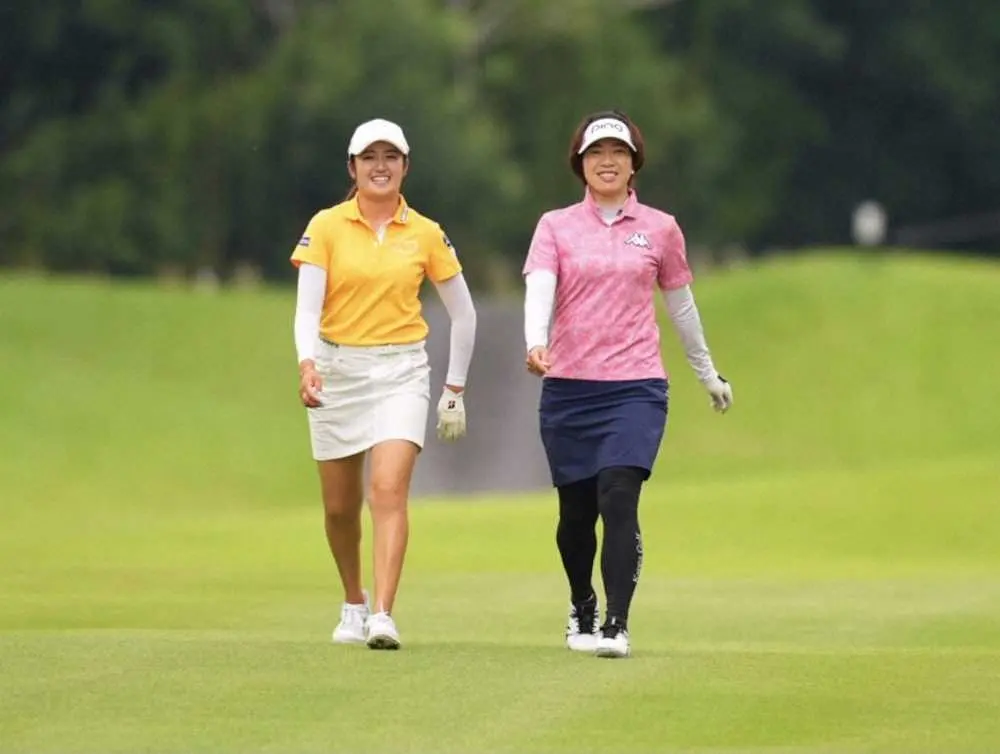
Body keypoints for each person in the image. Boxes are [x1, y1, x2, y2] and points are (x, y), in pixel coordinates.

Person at [521, 110, 733, 659]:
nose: (607, 162)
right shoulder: (555, 226)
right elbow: (541, 285)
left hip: (635, 386)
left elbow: (682, 308)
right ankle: (581, 603)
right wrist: (534, 340)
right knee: (575, 515)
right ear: (581, 165)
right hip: (569, 386)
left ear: (634, 162)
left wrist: (707, 374)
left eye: (617, 152)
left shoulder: (660, 229)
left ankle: (616, 622)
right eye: (596, 154)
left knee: (619, 494)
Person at [291, 117, 477, 650]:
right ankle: (354, 601)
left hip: (401, 371)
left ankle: (383, 614)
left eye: (390, 157)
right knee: (339, 508)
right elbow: (307, 310)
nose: (380, 166)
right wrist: (307, 363)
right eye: (369, 157)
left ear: (405, 167)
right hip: (336, 369)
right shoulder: (326, 226)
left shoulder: (425, 232)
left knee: (388, 489)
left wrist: (454, 388)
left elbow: (463, 315)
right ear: (352, 168)